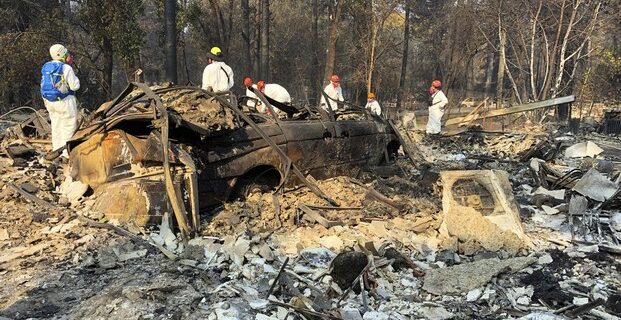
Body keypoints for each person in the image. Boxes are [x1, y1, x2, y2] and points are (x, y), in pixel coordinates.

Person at [40, 44, 80, 160]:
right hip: (65, 101)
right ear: (62, 54)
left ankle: (56, 151)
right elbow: (75, 86)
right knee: (68, 126)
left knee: (56, 126)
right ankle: (67, 154)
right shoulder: (66, 68)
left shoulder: (46, 66)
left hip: (50, 102)